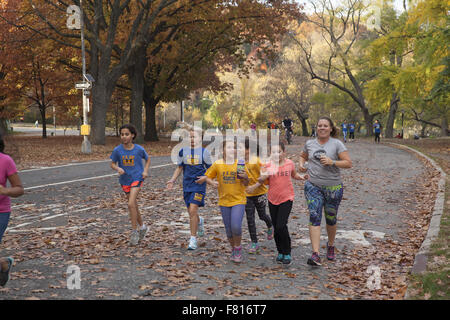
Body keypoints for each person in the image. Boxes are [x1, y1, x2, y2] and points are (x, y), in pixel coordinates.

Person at [299, 116, 352, 266]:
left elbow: (348, 163)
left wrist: (332, 162)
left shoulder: (337, 144)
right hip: (313, 186)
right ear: (316, 128)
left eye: (325, 126)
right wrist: (301, 164)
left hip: (333, 188)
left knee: (330, 219)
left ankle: (330, 245)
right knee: (314, 216)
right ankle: (315, 254)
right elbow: (303, 156)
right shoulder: (310, 143)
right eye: (319, 125)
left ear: (330, 128)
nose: (322, 128)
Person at [248, 142, 308, 265]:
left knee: (281, 225)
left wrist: (302, 177)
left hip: (287, 198)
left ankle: (287, 252)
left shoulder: (289, 163)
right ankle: (280, 251)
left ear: (284, 152)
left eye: (279, 151)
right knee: (276, 227)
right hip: (272, 199)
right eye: (273, 152)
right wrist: (258, 181)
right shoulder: (268, 165)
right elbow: (262, 180)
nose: (276, 154)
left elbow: (294, 175)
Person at [199, 139, 249, 263]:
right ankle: (233, 249)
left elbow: (247, 183)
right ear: (223, 151)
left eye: (234, 147)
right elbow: (207, 177)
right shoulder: (218, 164)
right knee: (228, 229)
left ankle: (238, 248)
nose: (233, 150)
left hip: (239, 199)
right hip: (224, 201)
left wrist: (245, 177)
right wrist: (212, 182)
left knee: (236, 226)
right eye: (229, 147)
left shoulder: (240, 164)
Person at [166, 128, 211, 250]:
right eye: (190, 137)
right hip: (187, 186)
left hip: (199, 185)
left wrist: (205, 177)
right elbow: (179, 168)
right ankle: (199, 221)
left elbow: (211, 170)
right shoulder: (182, 152)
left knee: (192, 210)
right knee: (192, 213)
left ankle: (193, 239)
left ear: (200, 139)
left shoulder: (204, 153)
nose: (192, 139)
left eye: (194, 137)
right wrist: (172, 180)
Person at [110, 124, 151, 246]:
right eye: (122, 134)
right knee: (133, 205)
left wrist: (145, 171)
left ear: (132, 135)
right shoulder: (117, 150)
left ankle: (134, 231)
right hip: (125, 180)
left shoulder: (139, 149)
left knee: (130, 203)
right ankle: (143, 227)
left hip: (137, 178)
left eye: (127, 134)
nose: (124, 137)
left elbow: (148, 159)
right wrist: (118, 168)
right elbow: (112, 163)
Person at [0, 134, 24, 287]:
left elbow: (19, 189)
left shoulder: (5, 161)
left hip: (1, 211)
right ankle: (3, 265)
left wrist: (4, 191)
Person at [242, 138, 273, 254]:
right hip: (247, 194)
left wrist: (254, 187)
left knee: (262, 215)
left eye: (242, 148)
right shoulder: (240, 162)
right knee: (250, 218)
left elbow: (265, 175)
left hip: (260, 193)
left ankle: (270, 225)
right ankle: (254, 242)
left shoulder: (257, 161)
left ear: (249, 150)